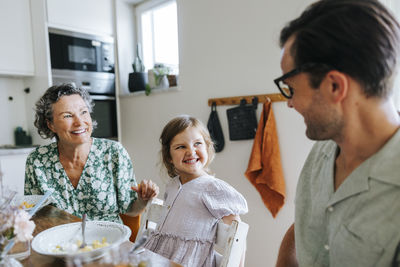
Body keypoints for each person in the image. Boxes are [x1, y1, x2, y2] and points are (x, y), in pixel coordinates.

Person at [274, 0, 400, 266]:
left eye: (291, 89)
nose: (290, 103)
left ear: (334, 86)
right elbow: (307, 226)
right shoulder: (324, 147)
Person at [24, 83, 159, 223]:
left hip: (108, 239)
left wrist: (143, 200)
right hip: (59, 242)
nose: (79, 122)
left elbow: (131, 210)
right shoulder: (37, 161)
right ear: (50, 124)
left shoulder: (113, 153)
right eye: (68, 116)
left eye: (83, 112)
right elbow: (33, 215)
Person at [143, 115, 248, 267]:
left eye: (197, 144)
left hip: (189, 262)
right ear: (169, 157)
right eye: (181, 147)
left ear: (207, 147)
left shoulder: (212, 188)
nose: (191, 152)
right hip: (159, 258)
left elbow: (237, 235)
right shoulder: (173, 185)